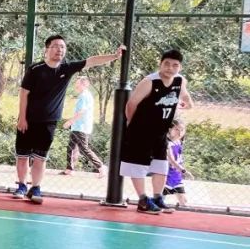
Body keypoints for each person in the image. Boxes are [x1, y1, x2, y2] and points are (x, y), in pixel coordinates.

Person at [15, 36, 124, 204]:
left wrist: (115, 56)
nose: (59, 49)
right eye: (55, 46)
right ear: (47, 49)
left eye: (62, 47)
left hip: (49, 122)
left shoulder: (67, 68)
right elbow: (24, 93)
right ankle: (22, 186)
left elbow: (91, 61)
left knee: (40, 157)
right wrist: (22, 118)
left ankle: (35, 188)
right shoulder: (35, 69)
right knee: (22, 156)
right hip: (28, 120)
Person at [120, 49, 193, 215]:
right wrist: (132, 124)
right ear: (160, 64)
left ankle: (158, 198)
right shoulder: (149, 82)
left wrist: (188, 103)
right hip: (141, 131)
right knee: (137, 165)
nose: (170, 68)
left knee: (161, 165)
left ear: (180, 67)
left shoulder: (180, 81)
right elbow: (131, 104)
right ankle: (143, 201)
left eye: (175, 65)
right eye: (166, 64)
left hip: (161, 132)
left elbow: (185, 96)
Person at [60, 77, 105, 177]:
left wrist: (70, 122)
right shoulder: (83, 95)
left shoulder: (84, 96)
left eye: (78, 84)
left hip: (81, 127)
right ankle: (69, 169)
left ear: (85, 85)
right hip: (77, 126)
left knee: (84, 148)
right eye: (76, 83)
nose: (76, 85)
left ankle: (101, 167)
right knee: (71, 147)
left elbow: (81, 111)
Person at [163, 119, 191, 208]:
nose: (179, 132)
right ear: (169, 129)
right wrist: (184, 171)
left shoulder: (179, 141)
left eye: (182, 130)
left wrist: (180, 171)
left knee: (184, 201)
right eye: (176, 129)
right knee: (159, 200)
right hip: (166, 176)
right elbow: (171, 160)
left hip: (176, 176)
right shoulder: (167, 143)